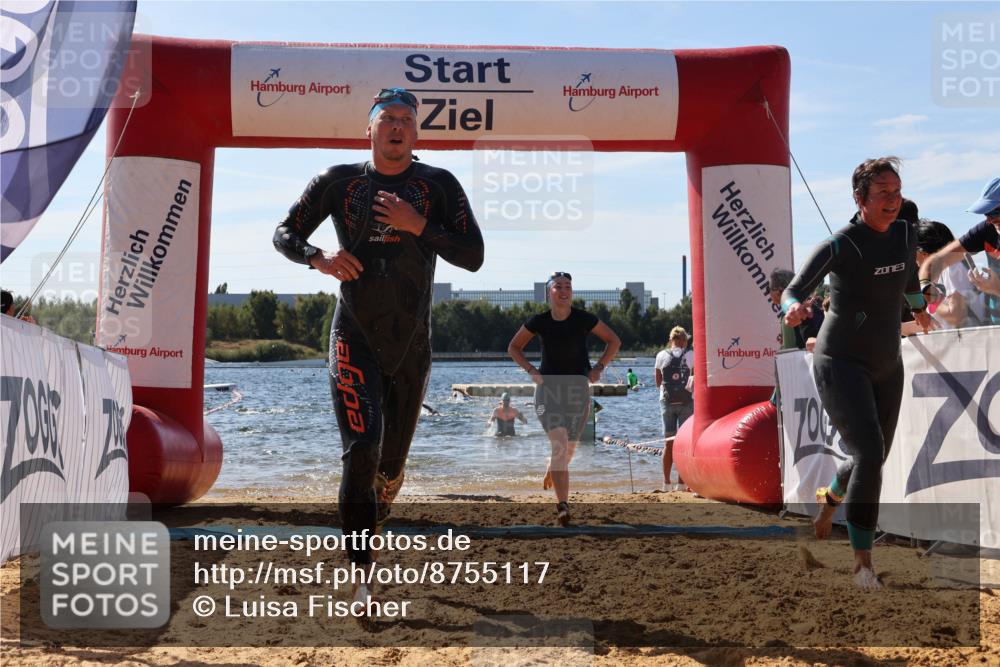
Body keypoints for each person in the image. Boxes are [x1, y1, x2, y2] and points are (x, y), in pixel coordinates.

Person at [273, 88, 484, 606]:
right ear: (368, 129)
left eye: (406, 120)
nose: (396, 126)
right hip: (355, 335)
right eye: (386, 118)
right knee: (360, 451)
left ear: (416, 133)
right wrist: (317, 257)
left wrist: (419, 227)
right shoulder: (339, 182)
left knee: (388, 468)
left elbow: (474, 256)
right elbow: (283, 232)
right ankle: (361, 574)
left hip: (412, 343)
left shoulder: (439, 186)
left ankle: (386, 491)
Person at [782, 157, 931, 590]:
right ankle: (863, 565)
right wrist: (790, 307)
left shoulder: (904, 231)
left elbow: (907, 277)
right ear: (859, 198)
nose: (893, 200)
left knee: (873, 456)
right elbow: (795, 287)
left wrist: (920, 312)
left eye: (897, 191)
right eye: (883, 193)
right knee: (868, 454)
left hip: (888, 361)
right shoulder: (843, 242)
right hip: (840, 361)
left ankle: (829, 499)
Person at [508, 272, 620, 526]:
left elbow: (614, 341)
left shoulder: (584, 319)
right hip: (548, 390)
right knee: (559, 445)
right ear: (550, 292)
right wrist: (531, 370)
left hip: (578, 390)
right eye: (558, 286)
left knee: (568, 450)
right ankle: (563, 507)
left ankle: (553, 467)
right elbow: (514, 347)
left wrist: (599, 367)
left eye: (568, 286)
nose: (564, 290)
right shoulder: (540, 321)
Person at [918, 177, 1000, 324]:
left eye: (995, 212)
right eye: (986, 213)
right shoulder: (986, 230)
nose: (990, 219)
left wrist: (996, 288)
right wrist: (925, 287)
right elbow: (936, 260)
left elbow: (956, 316)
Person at [654, 326, 693, 490]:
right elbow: (695, 379)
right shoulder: (691, 355)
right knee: (684, 444)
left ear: (671, 340)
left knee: (668, 443)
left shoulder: (661, 355)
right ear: (684, 340)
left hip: (666, 402)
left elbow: (658, 383)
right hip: (686, 402)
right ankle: (682, 484)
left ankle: (666, 483)